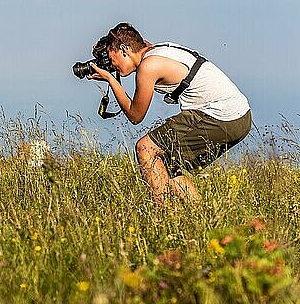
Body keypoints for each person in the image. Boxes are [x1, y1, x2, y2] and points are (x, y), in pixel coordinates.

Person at [87, 22, 252, 204]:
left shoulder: (149, 66)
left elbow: (135, 116)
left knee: (146, 149)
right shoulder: (156, 50)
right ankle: (198, 216)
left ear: (124, 49)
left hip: (220, 115)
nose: (112, 65)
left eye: (112, 59)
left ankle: (163, 217)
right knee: (167, 162)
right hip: (239, 117)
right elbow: (139, 44)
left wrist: (111, 80)